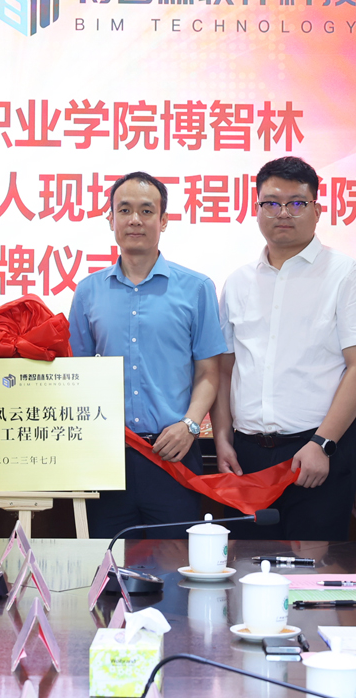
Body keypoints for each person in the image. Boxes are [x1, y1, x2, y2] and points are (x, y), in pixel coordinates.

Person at [212, 156, 356, 541]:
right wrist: (222, 438)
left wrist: (322, 442)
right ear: (256, 210)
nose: (283, 213)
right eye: (271, 203)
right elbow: (225, 368)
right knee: (246, 567)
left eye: (296, 203)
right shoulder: (238, 282)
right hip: (247, 458)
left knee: (313, 571)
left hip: (318, 451)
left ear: (317, 211)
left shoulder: (347, 274)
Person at [68, 171, 226, 539]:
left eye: (146, 210)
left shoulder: (197, 288)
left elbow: (209, 373)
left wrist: (190, 425)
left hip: (174, 453)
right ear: (110, 220)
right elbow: (75, 374)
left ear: (164, 220)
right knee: (108, 565)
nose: (135, 220)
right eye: (124, 210)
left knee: (175, 565)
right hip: (109, 457)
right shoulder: (88, 291)